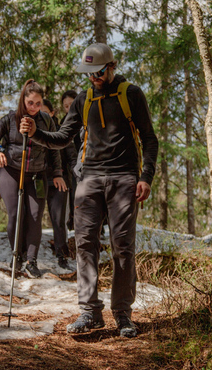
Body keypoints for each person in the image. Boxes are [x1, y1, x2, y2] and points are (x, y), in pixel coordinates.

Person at [20, 43, 158, 338]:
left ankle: (122, 314)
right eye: (89, 73)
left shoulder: (130, 94)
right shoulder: (84, 99)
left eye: (98, 72)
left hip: (124, 179)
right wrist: (36, 133)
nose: (93, 77)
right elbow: (62, 137)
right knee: (84, 244)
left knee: (123, 247)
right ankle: (90, 312)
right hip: (89, 179)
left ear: (112, 67)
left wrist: (145, 176)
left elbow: (149, 138)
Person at [0, 79, 67, 278]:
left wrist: (57, 173)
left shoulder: (47, 121)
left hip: (37, 175)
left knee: (34, 216)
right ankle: (17, 256)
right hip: (11, 171)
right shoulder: (10, 118)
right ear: (23, 100)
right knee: (15, 214)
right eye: (30, 103)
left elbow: (54, 149)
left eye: (38, 104)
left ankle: (31, 260)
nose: (34, 107)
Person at [40, 98, 74, 271]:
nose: (41, 114)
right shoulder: (33, 131)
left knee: (58, 219)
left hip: (59, 181)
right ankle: (27, 257)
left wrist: (71, 176)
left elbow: (71, 156)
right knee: (31, 218)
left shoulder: (61, 131)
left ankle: (62, 256)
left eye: (45, 111)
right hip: (38, 180)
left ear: (52, 113)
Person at [60, 90, 79, 230]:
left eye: (71, 105)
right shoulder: (63, 123)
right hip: (71, 167)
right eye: (66, 106)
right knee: (74, 197)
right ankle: (72, 226)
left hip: (90, 163)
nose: (69, 109)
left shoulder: (87, 118)